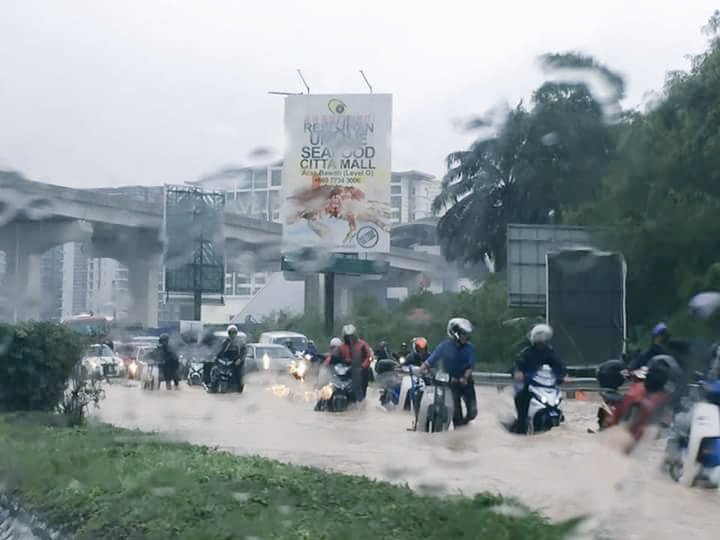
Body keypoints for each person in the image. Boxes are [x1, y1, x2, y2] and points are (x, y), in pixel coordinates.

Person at [421, 318, 477, 427]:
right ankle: (458, 433)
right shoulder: (444, 346)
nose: (466, 336)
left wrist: (465, 378)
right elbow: (430, 361)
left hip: (466, 381)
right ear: (454, 333)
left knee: (473, 412)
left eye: (467, 334)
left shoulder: (470, 348)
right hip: (451, 382)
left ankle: (464, 425)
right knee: (456, 412)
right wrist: (421, 369)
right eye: (463, 334)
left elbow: (470, 366)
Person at [512, 323, 566, 434]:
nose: (542, 342)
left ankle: (560, 419)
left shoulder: (550, 352)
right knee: (520, 397)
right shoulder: (527, 353)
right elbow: (518, 364)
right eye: (540, 339)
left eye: (544, 339)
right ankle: (522, 424)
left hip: (548, 386)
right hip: (531, 385)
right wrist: (518, 372)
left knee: (559, 401)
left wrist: (563, 375)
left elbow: (559, 366)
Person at [338, 324, 373, 402]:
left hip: (360, 369)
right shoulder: (341, 346)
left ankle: (360, 400)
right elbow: (334, 356)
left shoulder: (362, 344)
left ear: (355, 335)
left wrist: (363, 366)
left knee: (361, 382)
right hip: (345, 368)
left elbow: (369, 356)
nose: (350, 338)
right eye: (347, 336)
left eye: (351, 336)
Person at [216, 325, 247, 393]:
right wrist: (216, 357)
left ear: (236, 333)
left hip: (236, 361)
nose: (232, 334)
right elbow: (219, 351)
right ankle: (214, 386)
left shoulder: (240, 342)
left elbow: (244, 352)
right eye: (231, 332)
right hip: (226, 361)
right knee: (215, 370)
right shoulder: (225, 342)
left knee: (238, 374)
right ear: (228, 333)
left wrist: (240, 359)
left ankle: (238, 389)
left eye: (234, 332)